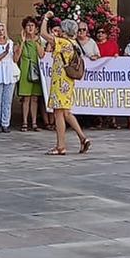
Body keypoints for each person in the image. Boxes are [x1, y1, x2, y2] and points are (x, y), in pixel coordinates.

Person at [41, 17, 91, 156]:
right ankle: (82, 138)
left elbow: (43, 34)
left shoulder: (62, 42)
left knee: (58, 114)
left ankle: (60, 146)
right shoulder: (73, 43)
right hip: (68, 82)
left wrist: (45, 18)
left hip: (60, 81)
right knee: (66, 112)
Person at [15, 17, 44, 132]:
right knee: (26, 97)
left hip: (35, 69)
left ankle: (34, 122)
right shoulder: (20, 39)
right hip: (25, 68)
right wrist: (23, 41)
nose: (30, 28)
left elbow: (42, 54)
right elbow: (17, 56)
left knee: (35, 98)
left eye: (33, 26)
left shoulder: (38, 40)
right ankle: (25, 122)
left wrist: (35, 41)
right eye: (28, 25)